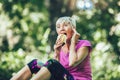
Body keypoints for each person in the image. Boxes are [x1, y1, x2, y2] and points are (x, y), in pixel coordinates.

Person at [10, 16, 92, 80]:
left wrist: (73, 41)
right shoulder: (61, 48)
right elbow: (55, 71)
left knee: (52, 63)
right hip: (64, 77)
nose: (61, 29)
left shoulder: (84, 44)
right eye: (58, 27)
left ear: (74, 29)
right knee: (35, 63)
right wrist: (57, 51)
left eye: (66, 25)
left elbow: (72, 63)